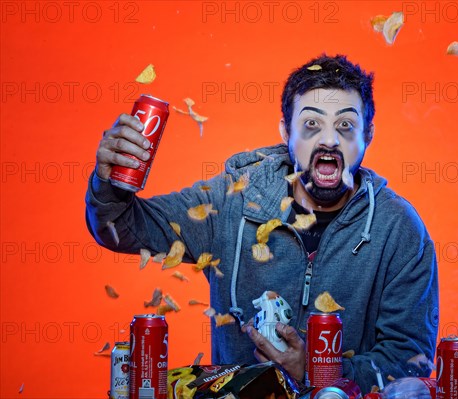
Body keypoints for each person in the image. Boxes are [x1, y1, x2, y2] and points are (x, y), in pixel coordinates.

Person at [86, 54, 439, 393]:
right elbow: (118, 226)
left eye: (345, 125)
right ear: (286, 132)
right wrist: (108, 181)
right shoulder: (231, 201)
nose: (329, 139)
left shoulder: (399, 230)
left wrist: (319, 371)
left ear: (369, 134)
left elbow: (411, 362)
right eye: (311, 123)